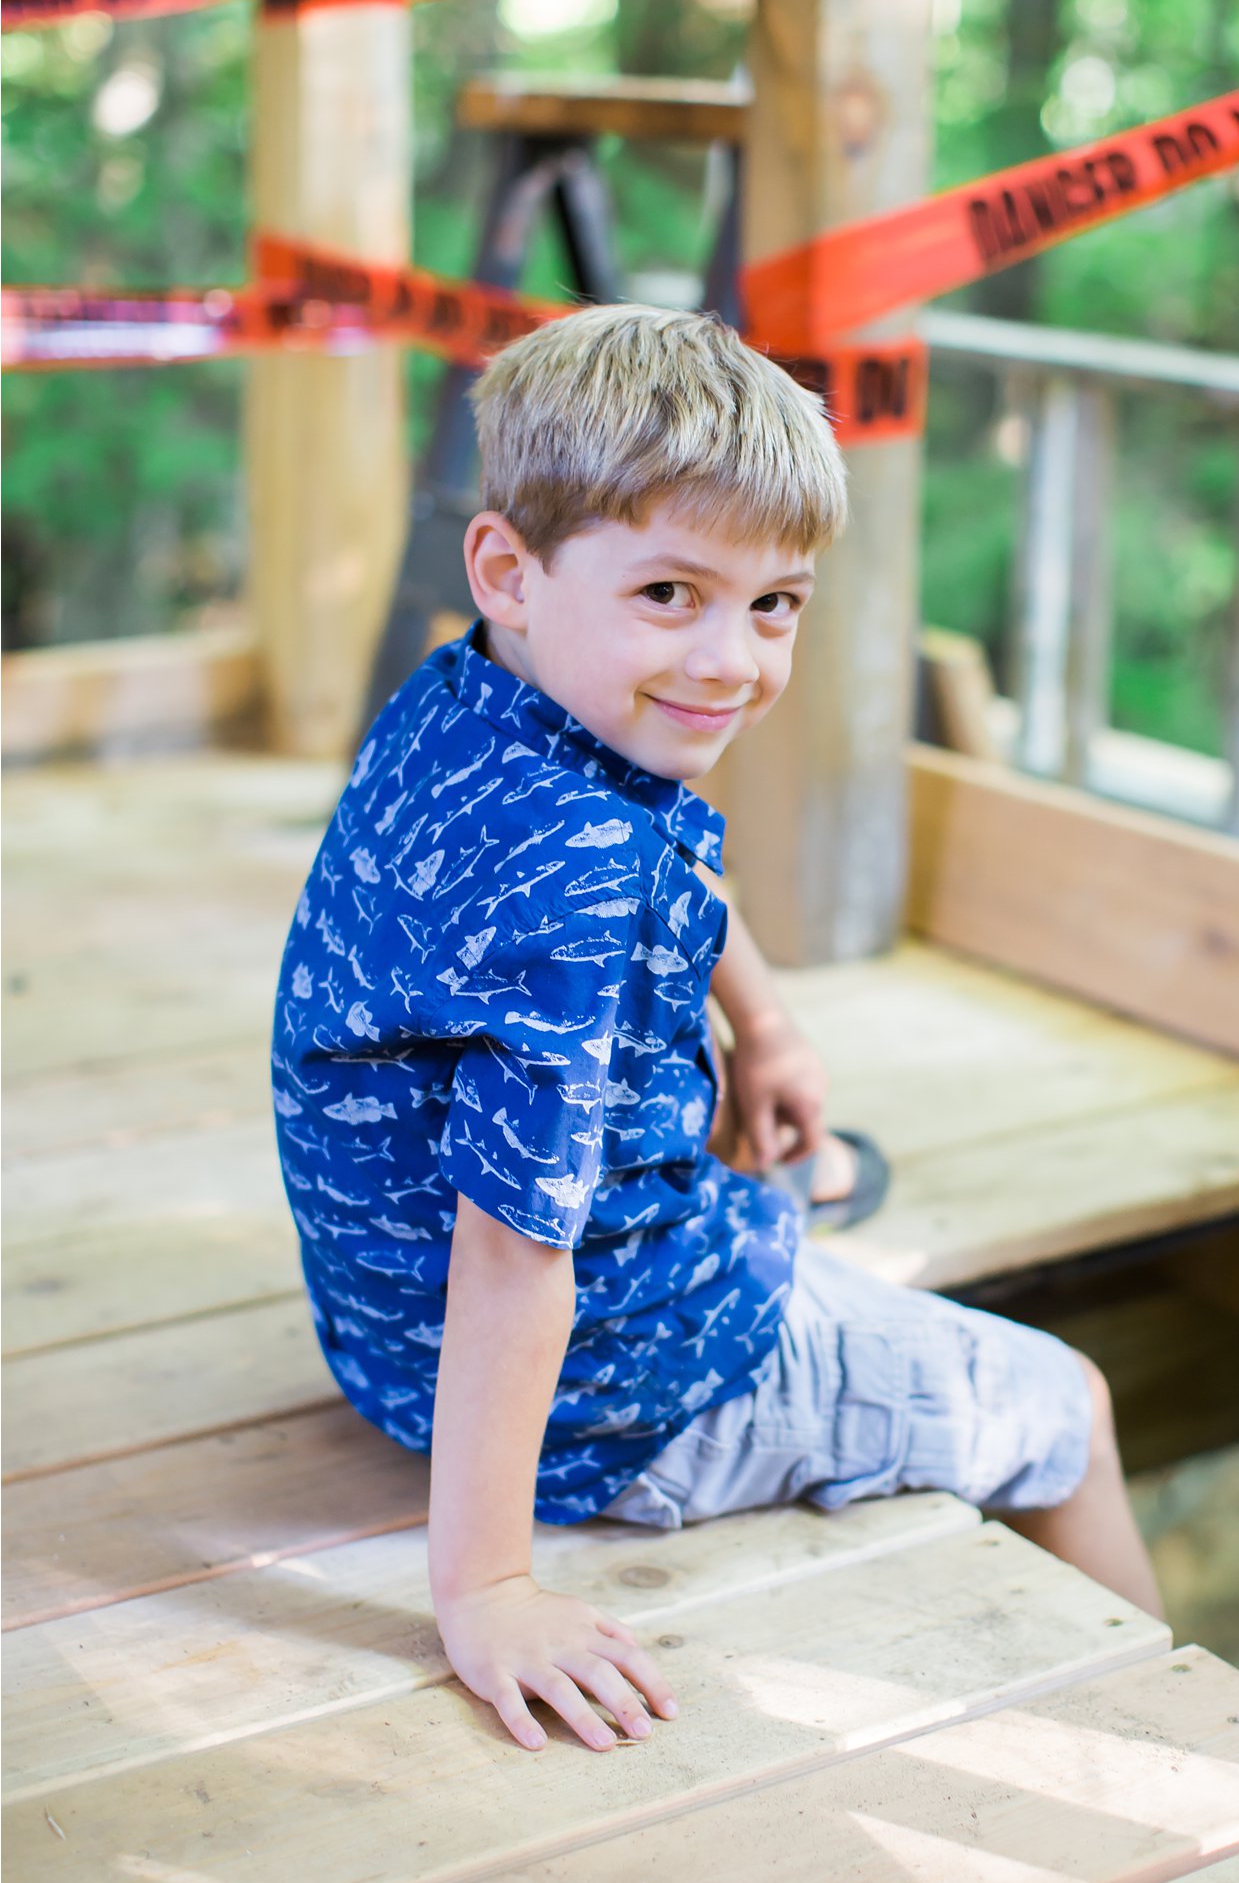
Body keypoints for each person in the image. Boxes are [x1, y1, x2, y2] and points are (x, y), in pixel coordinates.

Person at [271, 305, 1162, 1759]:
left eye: (776, 604)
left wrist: (765, 1021)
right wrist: (487, 1587)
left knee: (775, 1187)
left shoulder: (467, 695)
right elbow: (515, 1250)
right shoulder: (575, 892)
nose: (733, 661)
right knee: (1067, 1402)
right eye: (673, 592)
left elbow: (658, 847)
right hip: (608, 1394)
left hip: (385, 1335)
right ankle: (1177, 1748)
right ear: (510, 567)